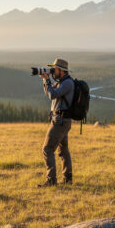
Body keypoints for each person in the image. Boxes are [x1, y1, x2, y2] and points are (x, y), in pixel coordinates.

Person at [39, 58, 74, 187]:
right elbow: (49, 93)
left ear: (62, 71)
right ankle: (67, 178)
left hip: (60, 121)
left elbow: (52, 95)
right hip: (62, 120)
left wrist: (47, 80)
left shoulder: (67, 83)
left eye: (55, 69)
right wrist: (45, 79)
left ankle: (51, 180)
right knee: (63, 150)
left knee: (47, 149)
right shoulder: (62, 82)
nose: (53, 71)